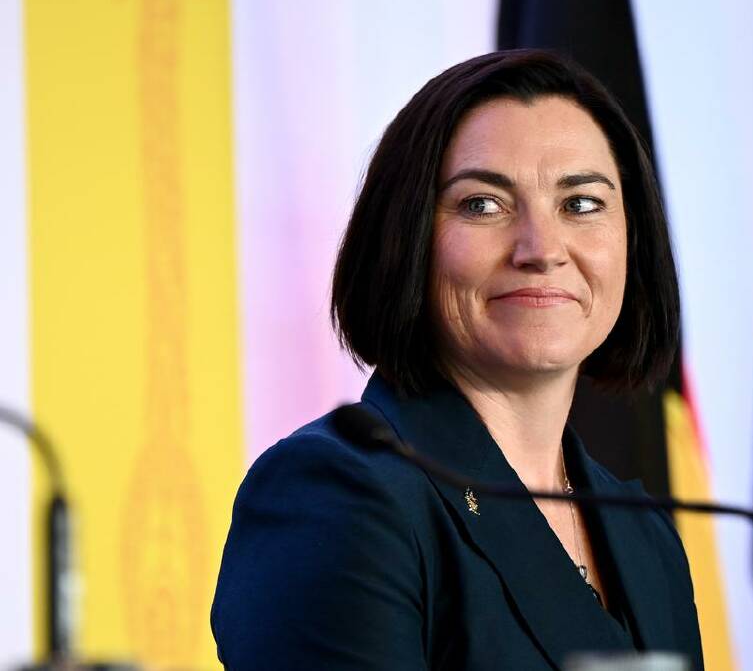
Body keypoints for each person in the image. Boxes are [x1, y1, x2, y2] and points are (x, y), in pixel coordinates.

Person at [209, 49, 704, 670]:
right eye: (483, 204)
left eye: (580, 204)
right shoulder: (339, 495)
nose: (541, 249)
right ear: (408, 237)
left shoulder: (644, 533)